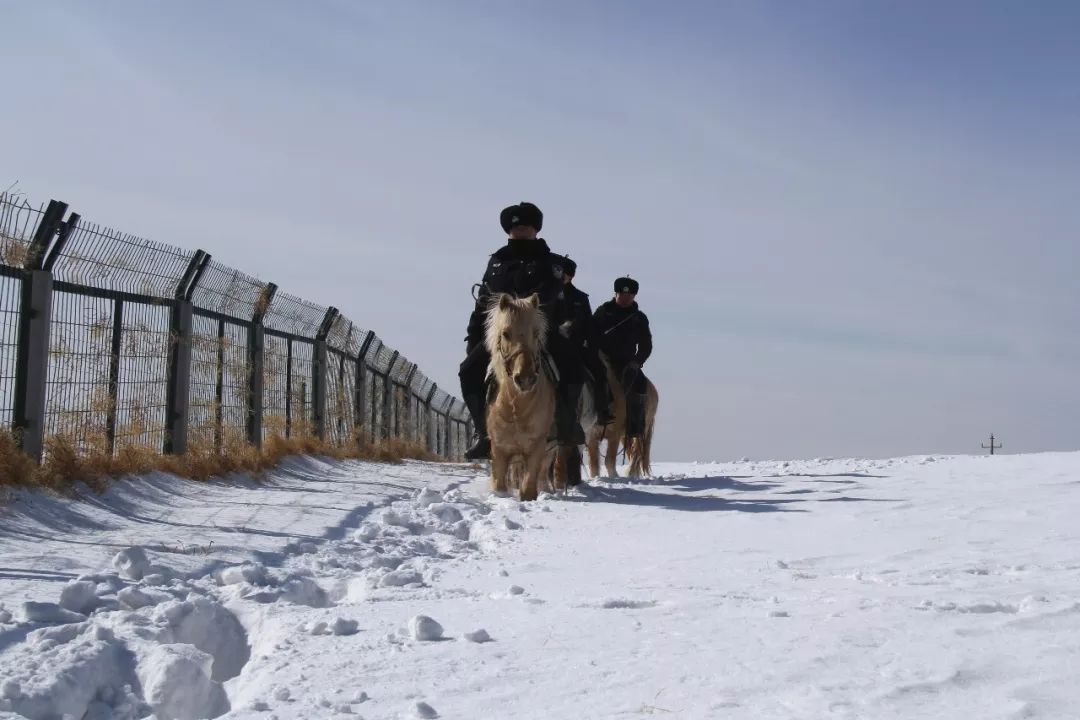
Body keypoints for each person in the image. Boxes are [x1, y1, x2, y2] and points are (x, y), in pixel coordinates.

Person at [458, 203, 585, 483]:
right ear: (508, 230)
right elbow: (483, 303)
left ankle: (567, 425)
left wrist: (523, 307)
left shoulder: (550, 261)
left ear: (536, 229)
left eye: (525, 226)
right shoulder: (497, 261)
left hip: (539, 331)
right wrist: (474, 336)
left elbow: (550, 292)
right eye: (515, 227)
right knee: (468, 370)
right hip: (503, 335)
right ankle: (484, 433)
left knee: (573, 367)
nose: (520, 231)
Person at [557, 256, 614, 427]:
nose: (561, 278)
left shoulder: (580, 298)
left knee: (599, 369)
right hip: (549, 344)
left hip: (575, 347)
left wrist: (593, 347)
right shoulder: (544, 294)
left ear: (570, 277)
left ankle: (602, 410)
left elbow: (589, 326)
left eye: (565, 275)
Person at [593, 276, 652, 439]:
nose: (625, 299)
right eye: (622, 295)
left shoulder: (639, 318)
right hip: (602, 360)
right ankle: (599, 414)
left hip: (626, 362)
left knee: (639, 384)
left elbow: (646, 344)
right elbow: (591, 334)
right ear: (616, 293)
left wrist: (636, 362)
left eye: (629, 296)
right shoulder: (603, 311)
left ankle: (635, 425)